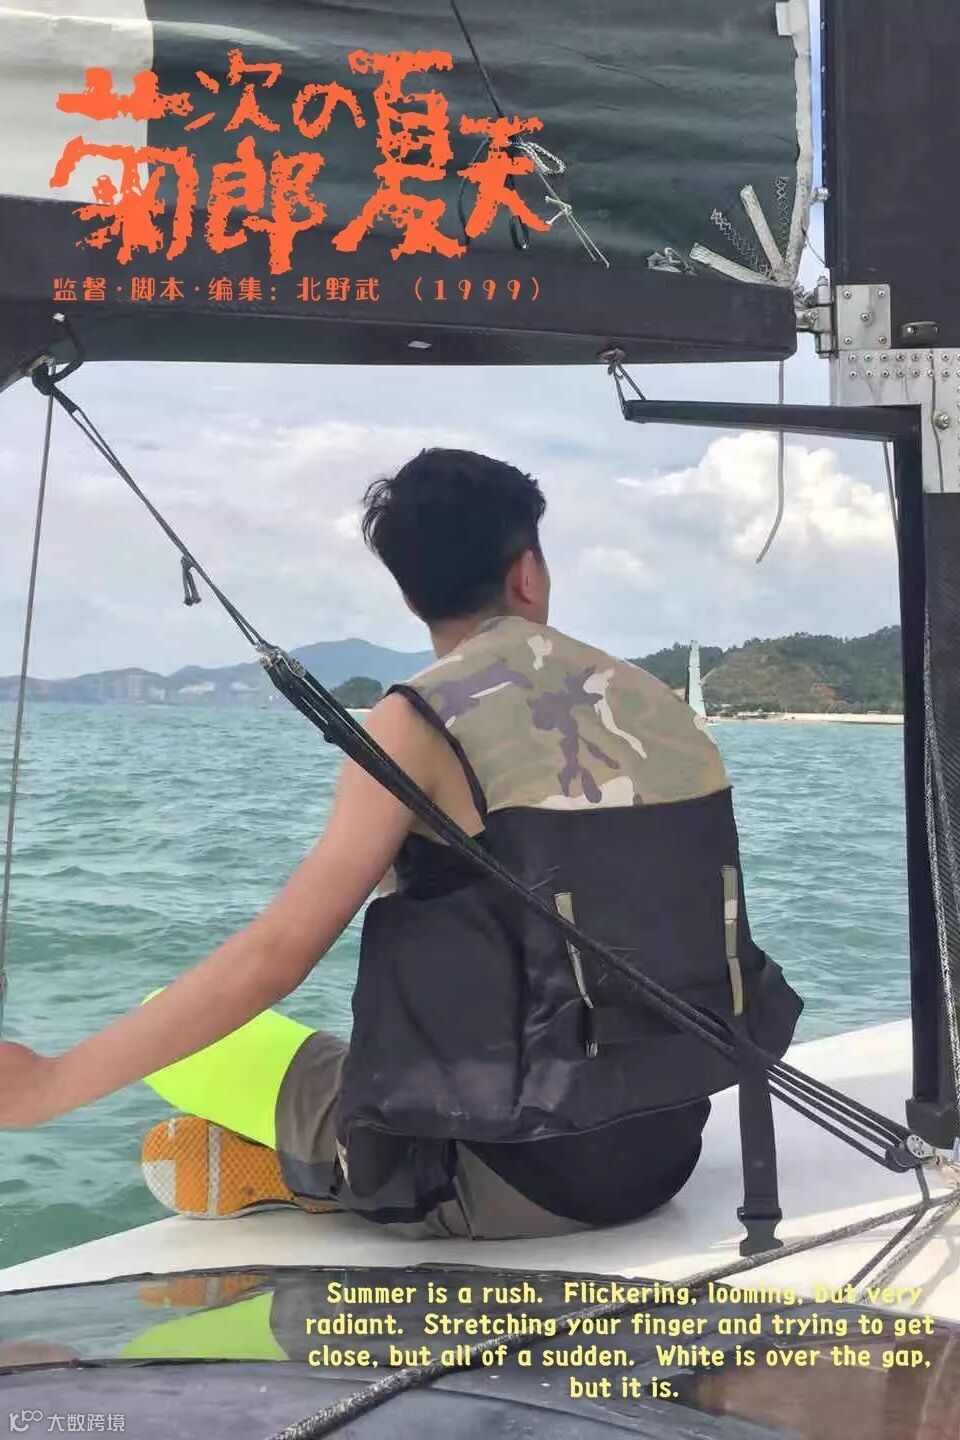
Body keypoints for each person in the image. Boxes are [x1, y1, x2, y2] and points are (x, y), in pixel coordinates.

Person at [0, 449, 801, 1239]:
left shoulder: (417, 719)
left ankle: (310, 1174)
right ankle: (316, 1161)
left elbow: (279, 954)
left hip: (505, 1181)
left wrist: (48, 1084)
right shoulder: (660, 702)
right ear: (527, 573)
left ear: (411, 595)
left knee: (179, 1039)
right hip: (666, 1152)